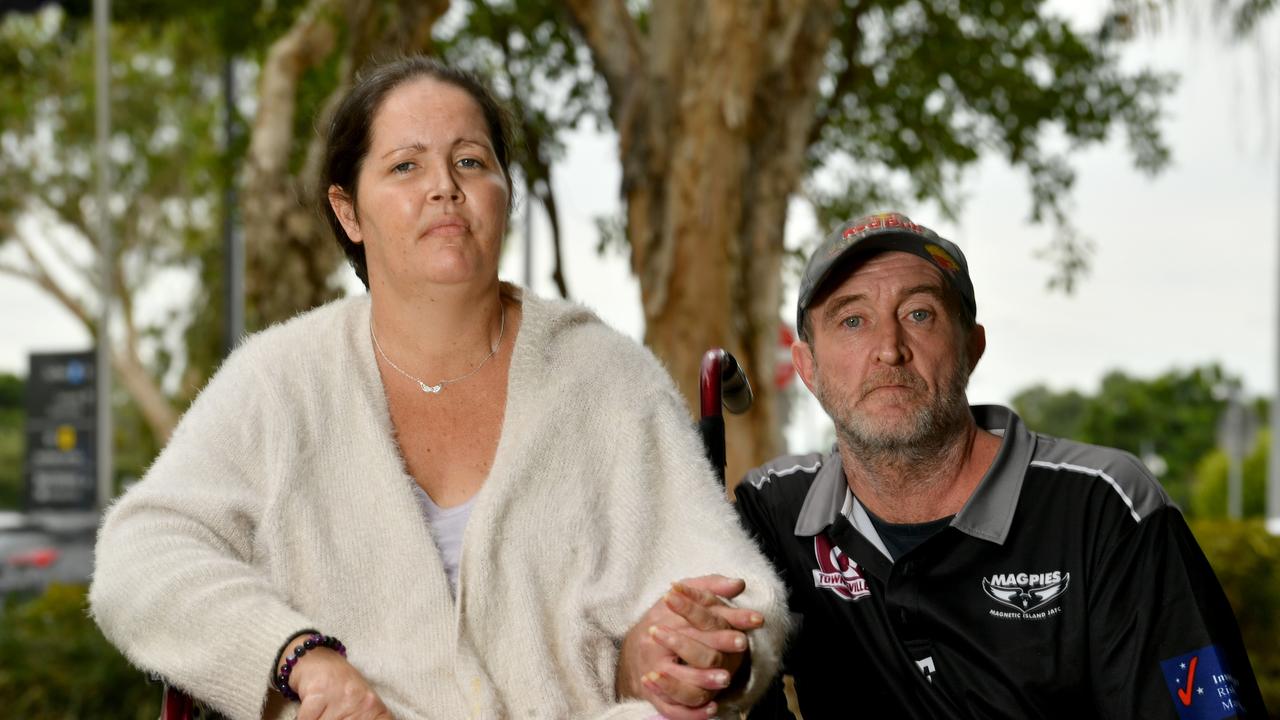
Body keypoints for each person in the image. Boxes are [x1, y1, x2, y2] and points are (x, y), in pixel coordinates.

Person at [89, 56, 787, 720]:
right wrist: (298, 657)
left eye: (471, 161)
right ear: (349, 212)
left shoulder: (607, 377)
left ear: (503, 195)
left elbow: (735, 593)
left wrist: (695, 651)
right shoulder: (279, 381)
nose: (444, 186)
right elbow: (138, 557)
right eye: (404, 165)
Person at [728, 212, 1268, 718]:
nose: (888, 349)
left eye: (919, 314)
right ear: (808, 367)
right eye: (852, 320)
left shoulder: (1104, 506)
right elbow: (699, 666)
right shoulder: (774, 511)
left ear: (972, 347)